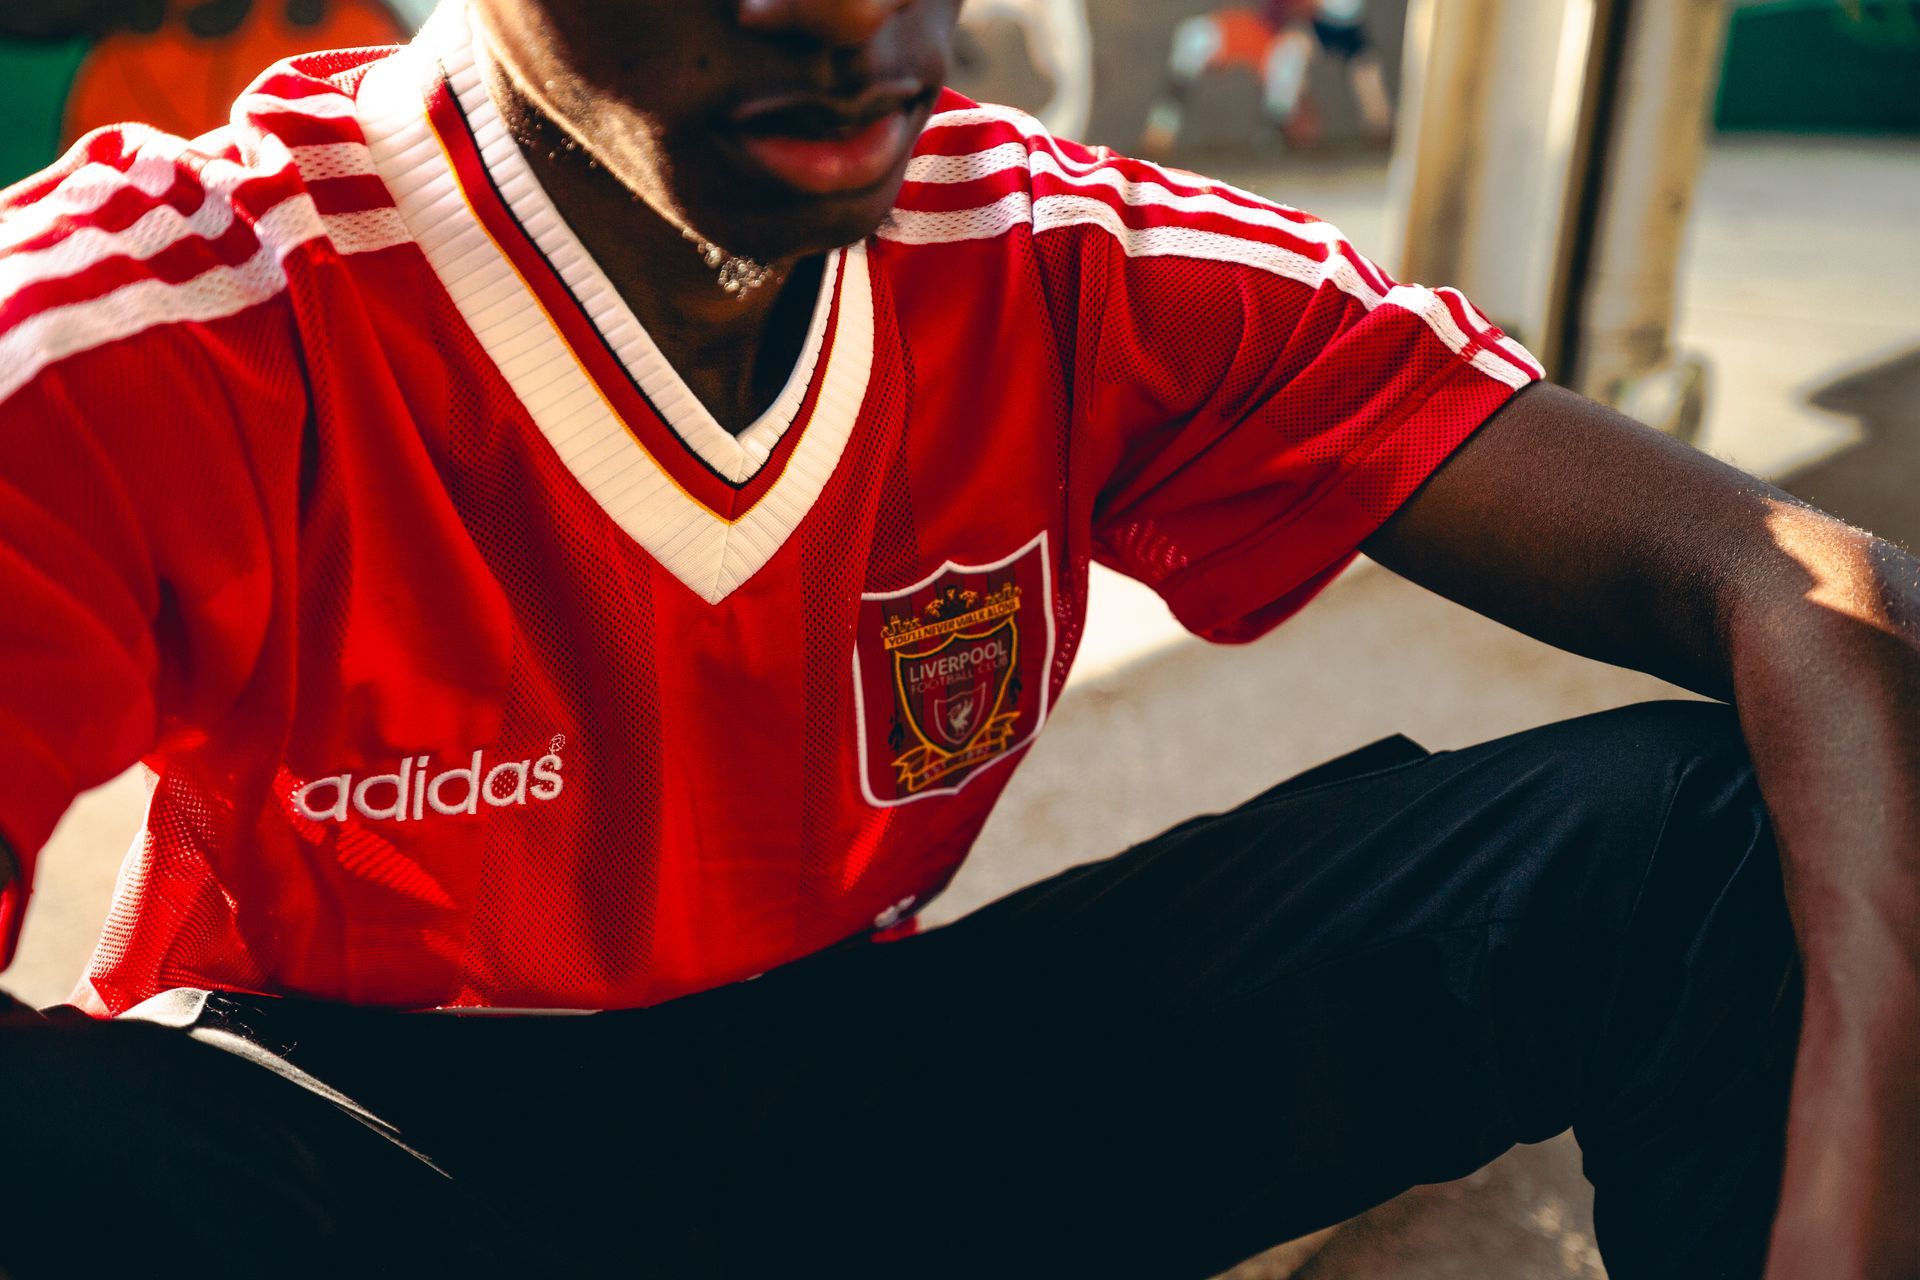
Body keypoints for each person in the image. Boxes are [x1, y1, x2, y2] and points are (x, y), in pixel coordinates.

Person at [0, 1, 1913, 1277]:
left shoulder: (1059, 264)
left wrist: (1846, 1202)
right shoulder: (166, 315)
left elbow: (1802, 586)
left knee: (1708, 838)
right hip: (366, 1153)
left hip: (871, 1107)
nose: (849, 19)